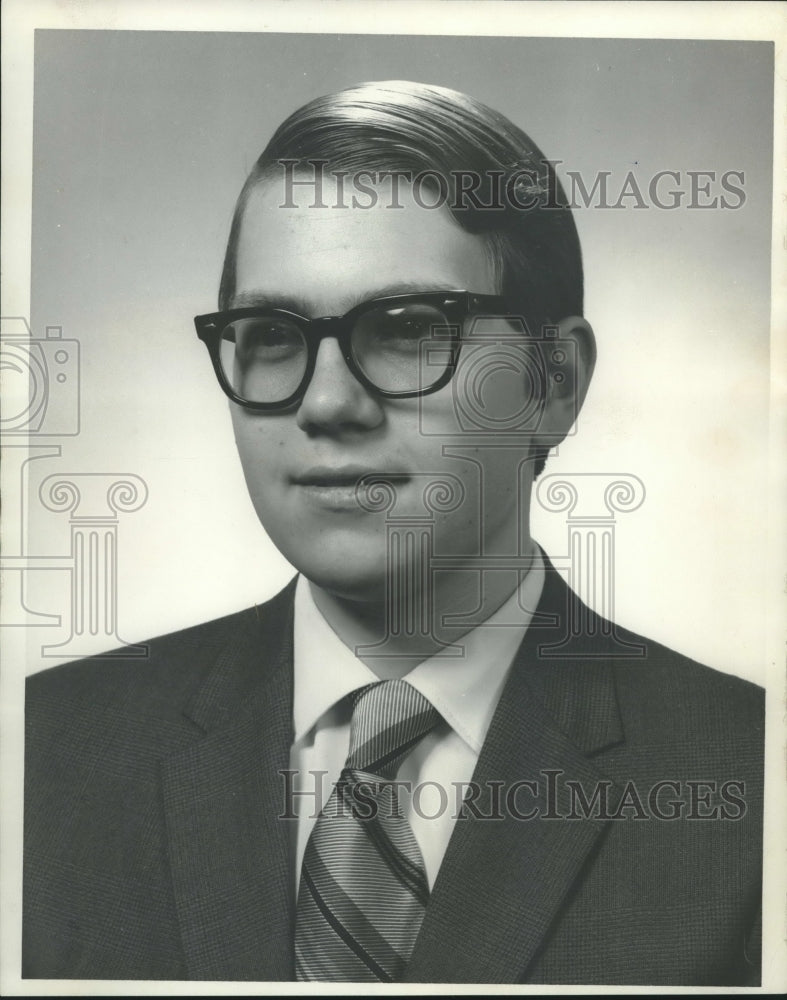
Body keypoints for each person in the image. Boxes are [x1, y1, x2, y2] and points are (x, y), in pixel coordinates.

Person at [23, 80, 764, 986]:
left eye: (410, 330)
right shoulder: (40, 754)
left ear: (554, 383)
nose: (328, 403)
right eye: (273, 334)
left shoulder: (748, 781)